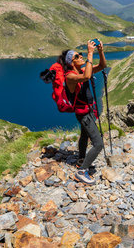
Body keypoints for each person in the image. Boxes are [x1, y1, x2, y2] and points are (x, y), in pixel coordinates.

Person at [57, 40, 107, 185]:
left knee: (85, 135)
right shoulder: (70, 76)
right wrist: (90, 53)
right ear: (71, 62)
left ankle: (81, 158)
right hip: (83, 114)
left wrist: (100, 51)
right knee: (98, 144)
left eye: (81, 55)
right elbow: (86, 77)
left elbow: (103, 66)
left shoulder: (82, 70)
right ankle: (82, 171)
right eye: (78, 56)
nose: (81, 57)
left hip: (89, 110)